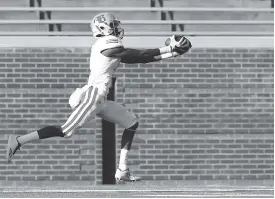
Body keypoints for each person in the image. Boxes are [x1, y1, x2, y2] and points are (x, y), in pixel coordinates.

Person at [6, 13, 192, 182]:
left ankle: (122, 170)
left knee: (132, 123)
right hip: (93, 95)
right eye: (113, 24)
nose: (116, 27)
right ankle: (19, 140)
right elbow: (137, 54)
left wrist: (171, 53)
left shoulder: (111, 46)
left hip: (100, 99)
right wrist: (167, 47)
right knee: (65, 131)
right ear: (103, 28)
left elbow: (139, 58)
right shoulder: (106, 43)